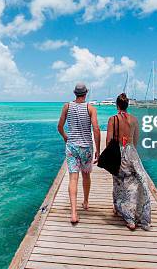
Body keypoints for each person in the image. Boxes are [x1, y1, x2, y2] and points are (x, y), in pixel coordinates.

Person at [57, 83, 101, 224]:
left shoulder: (67, 107)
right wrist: (98, 150)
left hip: (72, 147)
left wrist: (65, 136)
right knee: (86, 175)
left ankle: (74, 213)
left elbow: (59, 126)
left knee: (73, 179)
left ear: (74, 93)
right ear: (86, 93)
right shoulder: (91, 108)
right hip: (86, 147)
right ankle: (86, 202)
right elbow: (96, 129)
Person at [107, 93, 152, 230]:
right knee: (132, 184)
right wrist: (130, 152)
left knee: (118, 182)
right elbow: (136, 139)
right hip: (131, 153)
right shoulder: (134, 120)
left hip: (117, 153)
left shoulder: (112, 119)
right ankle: (133, 215)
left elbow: (109, 140)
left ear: (117, 105)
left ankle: (121, 212)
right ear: (127, 105)